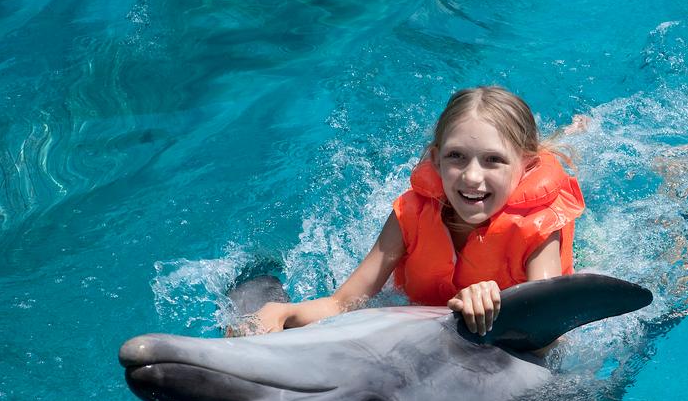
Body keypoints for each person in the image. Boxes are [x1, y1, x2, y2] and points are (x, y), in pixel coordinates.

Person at [241, 85, 584, 337]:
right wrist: (284, 312)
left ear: (526, 165)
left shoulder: (538, 230)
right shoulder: (410, 214)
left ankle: (575, 134)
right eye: (456, 156)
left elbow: (548, 340)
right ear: (435, 159)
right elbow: (343, 303)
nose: (472, 176)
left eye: (493, 160)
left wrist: (499, 308)